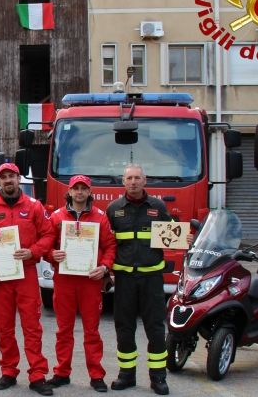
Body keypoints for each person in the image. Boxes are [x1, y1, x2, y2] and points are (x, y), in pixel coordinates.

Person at [0, 163, 56, 396]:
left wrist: (33, 251)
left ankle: (37, 375)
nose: (8, 180)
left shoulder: (34, 206)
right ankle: (9, 371)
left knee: (32, 327)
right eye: (4, 177)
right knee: (4, 328)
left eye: (12, 176)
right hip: (0, 278)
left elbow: (48, 234)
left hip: (26, 274)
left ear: (19, 179)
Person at [45, 175, 116, 393]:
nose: (79, 192)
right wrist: (51, 254)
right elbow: (46, 244)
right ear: (69, 191)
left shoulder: (100, 217)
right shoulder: (56, 217)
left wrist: (104, 267)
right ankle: (61, 372)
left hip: (90, 281)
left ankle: (96, 375)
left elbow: (110, 246)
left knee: (91, 331)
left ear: (89, 192)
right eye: (75, 188)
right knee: (63, 330)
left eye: (83, 188)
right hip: (64, 280)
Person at [106, 163, 171, 395]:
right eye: (129, 178)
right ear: (123, 182)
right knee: (124, 327)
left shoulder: (158, 206)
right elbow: (106, 242)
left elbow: (172, 235)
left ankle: (158, 377)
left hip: (152, 278)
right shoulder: (113, 209)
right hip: (124, 279)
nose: (133, 182)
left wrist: (185, 237)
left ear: (145, 181)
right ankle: (127, 375)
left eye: (137, 178)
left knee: (155, 328)